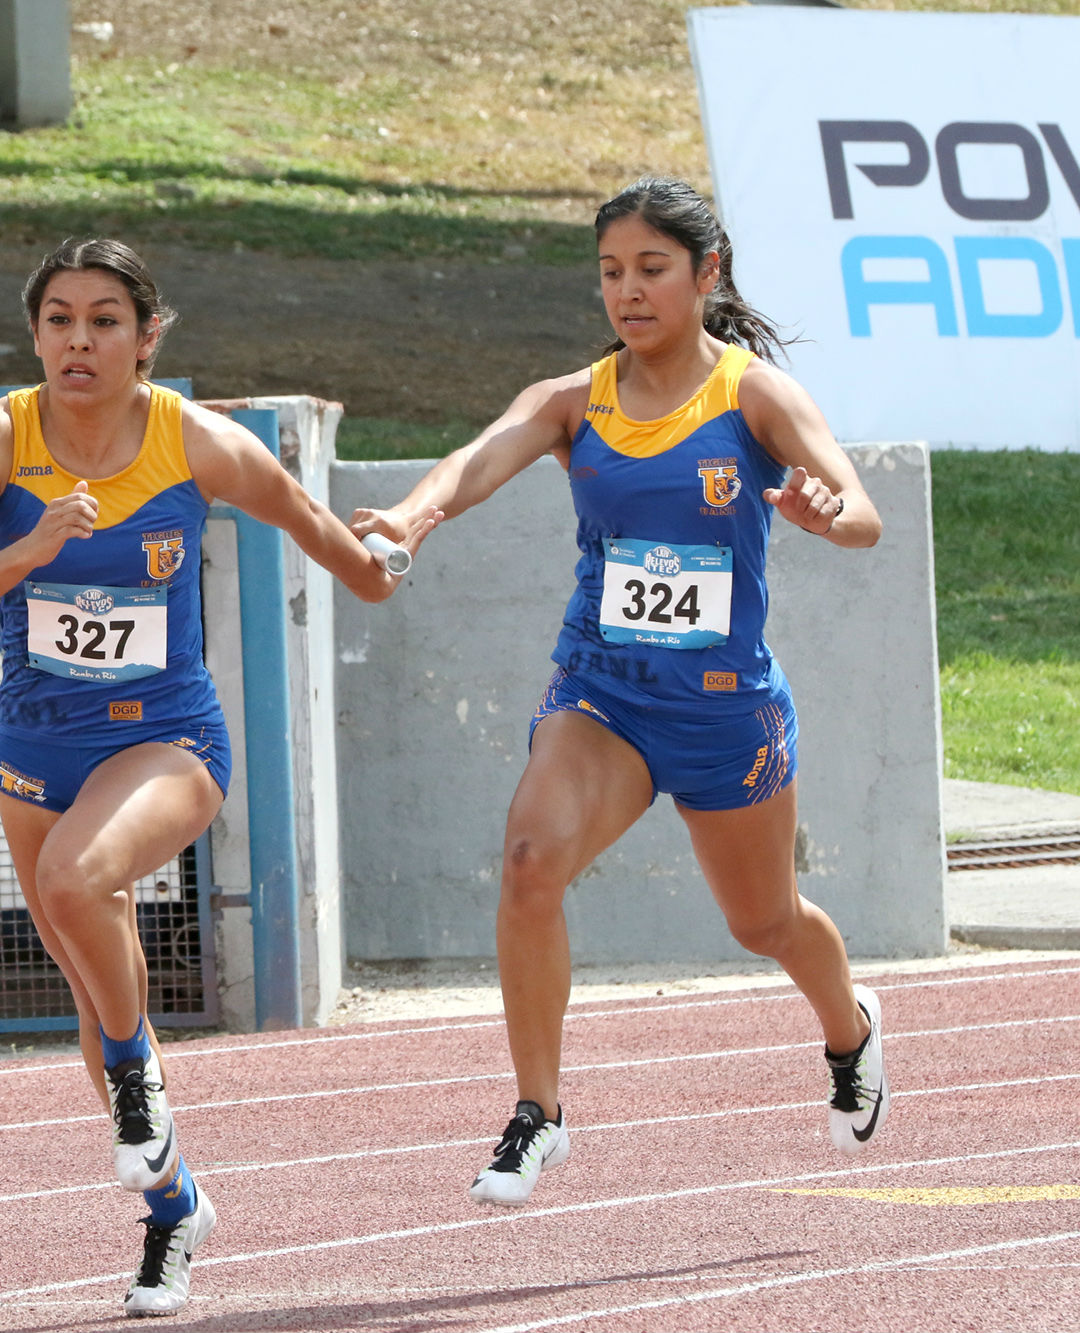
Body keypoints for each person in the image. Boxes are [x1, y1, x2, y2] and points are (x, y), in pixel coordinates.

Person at [351, 176, 890, 1207]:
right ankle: (537, 1111)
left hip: (724, 708)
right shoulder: (571, 401)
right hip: (602, 694)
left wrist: (826, 512)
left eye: (650, 269)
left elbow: (857, 508)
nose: (627, 292)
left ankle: (849, 1030)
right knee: (526, 860)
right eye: (609, 273)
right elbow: (469, 464)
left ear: (704, 275)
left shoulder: (750, 396)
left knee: (764, 921)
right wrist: (409, 522)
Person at [0, 237, 413, 1313]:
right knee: (92, 990)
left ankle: (142, 1082)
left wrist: (374, 564)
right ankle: (173, 1206)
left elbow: (300, 516)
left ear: (146, 339)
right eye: (57, 319)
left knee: (75, 884)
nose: (76, 341)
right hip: (37, 747)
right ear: (35, 332)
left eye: (102, 320)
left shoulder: (192, 441)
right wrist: (24, 553)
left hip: (167, 738)